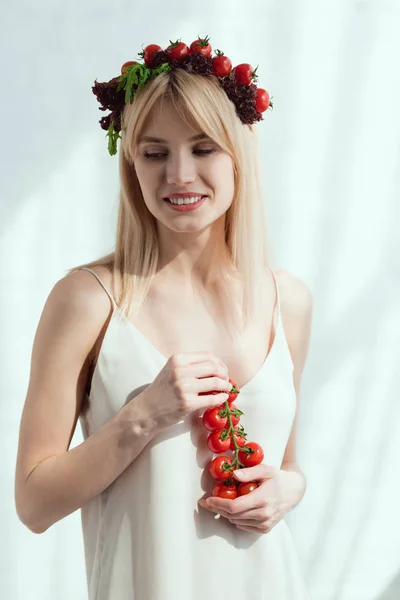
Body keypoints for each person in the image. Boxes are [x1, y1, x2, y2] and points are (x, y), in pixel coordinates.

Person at [15, 36, 313, 599]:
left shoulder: (287, 301)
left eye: (203, 149)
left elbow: (289, 463)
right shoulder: (89, 300)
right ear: (131, 164)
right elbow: (33, 504)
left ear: (238, 154)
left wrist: (288, 490)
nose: (178, 174)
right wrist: (143, 416)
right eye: (155, 153)